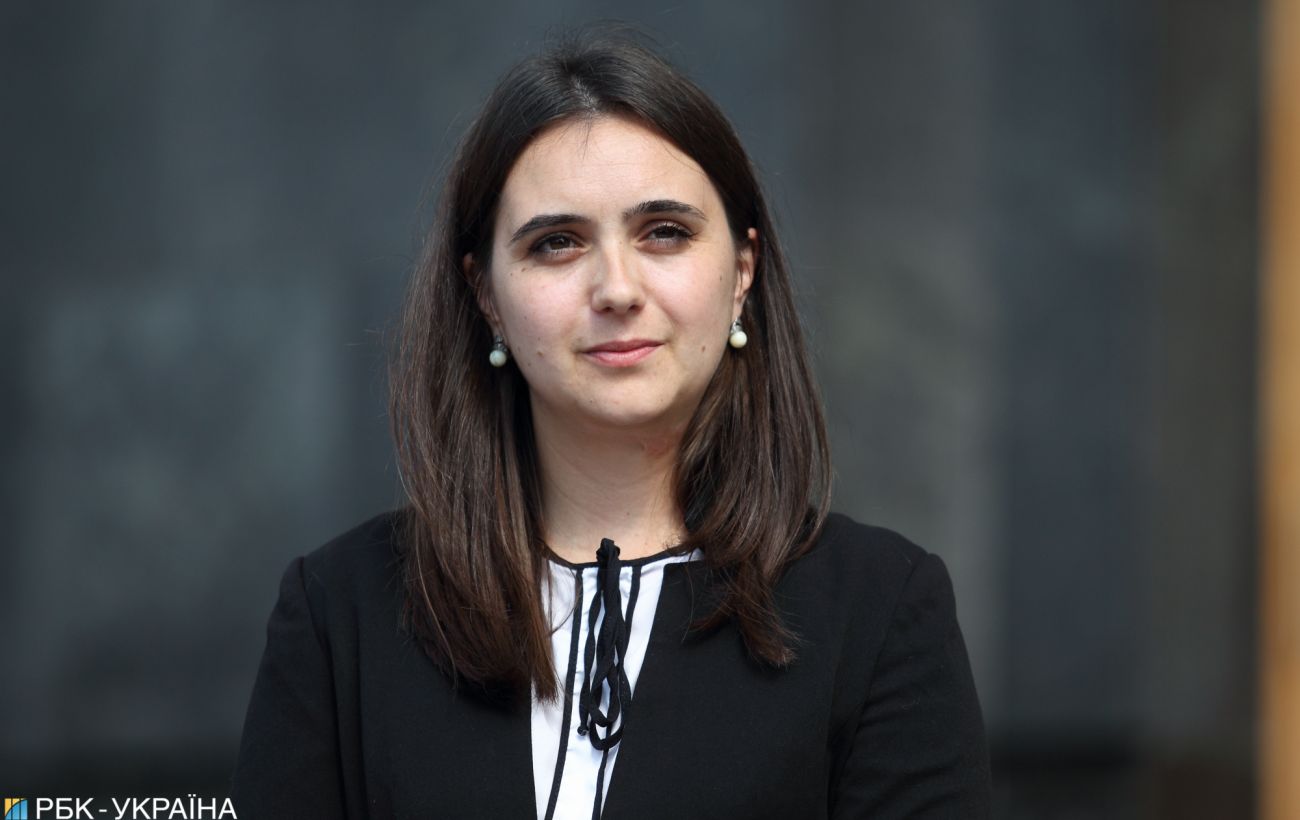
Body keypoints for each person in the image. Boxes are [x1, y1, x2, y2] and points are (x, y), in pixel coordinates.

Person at [230, 32, 991, 819]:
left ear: (741, 272)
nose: (617, 289)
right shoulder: (341, 612)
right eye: (557, 244)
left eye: (664, 232)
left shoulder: (878, 609)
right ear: (487, 295)